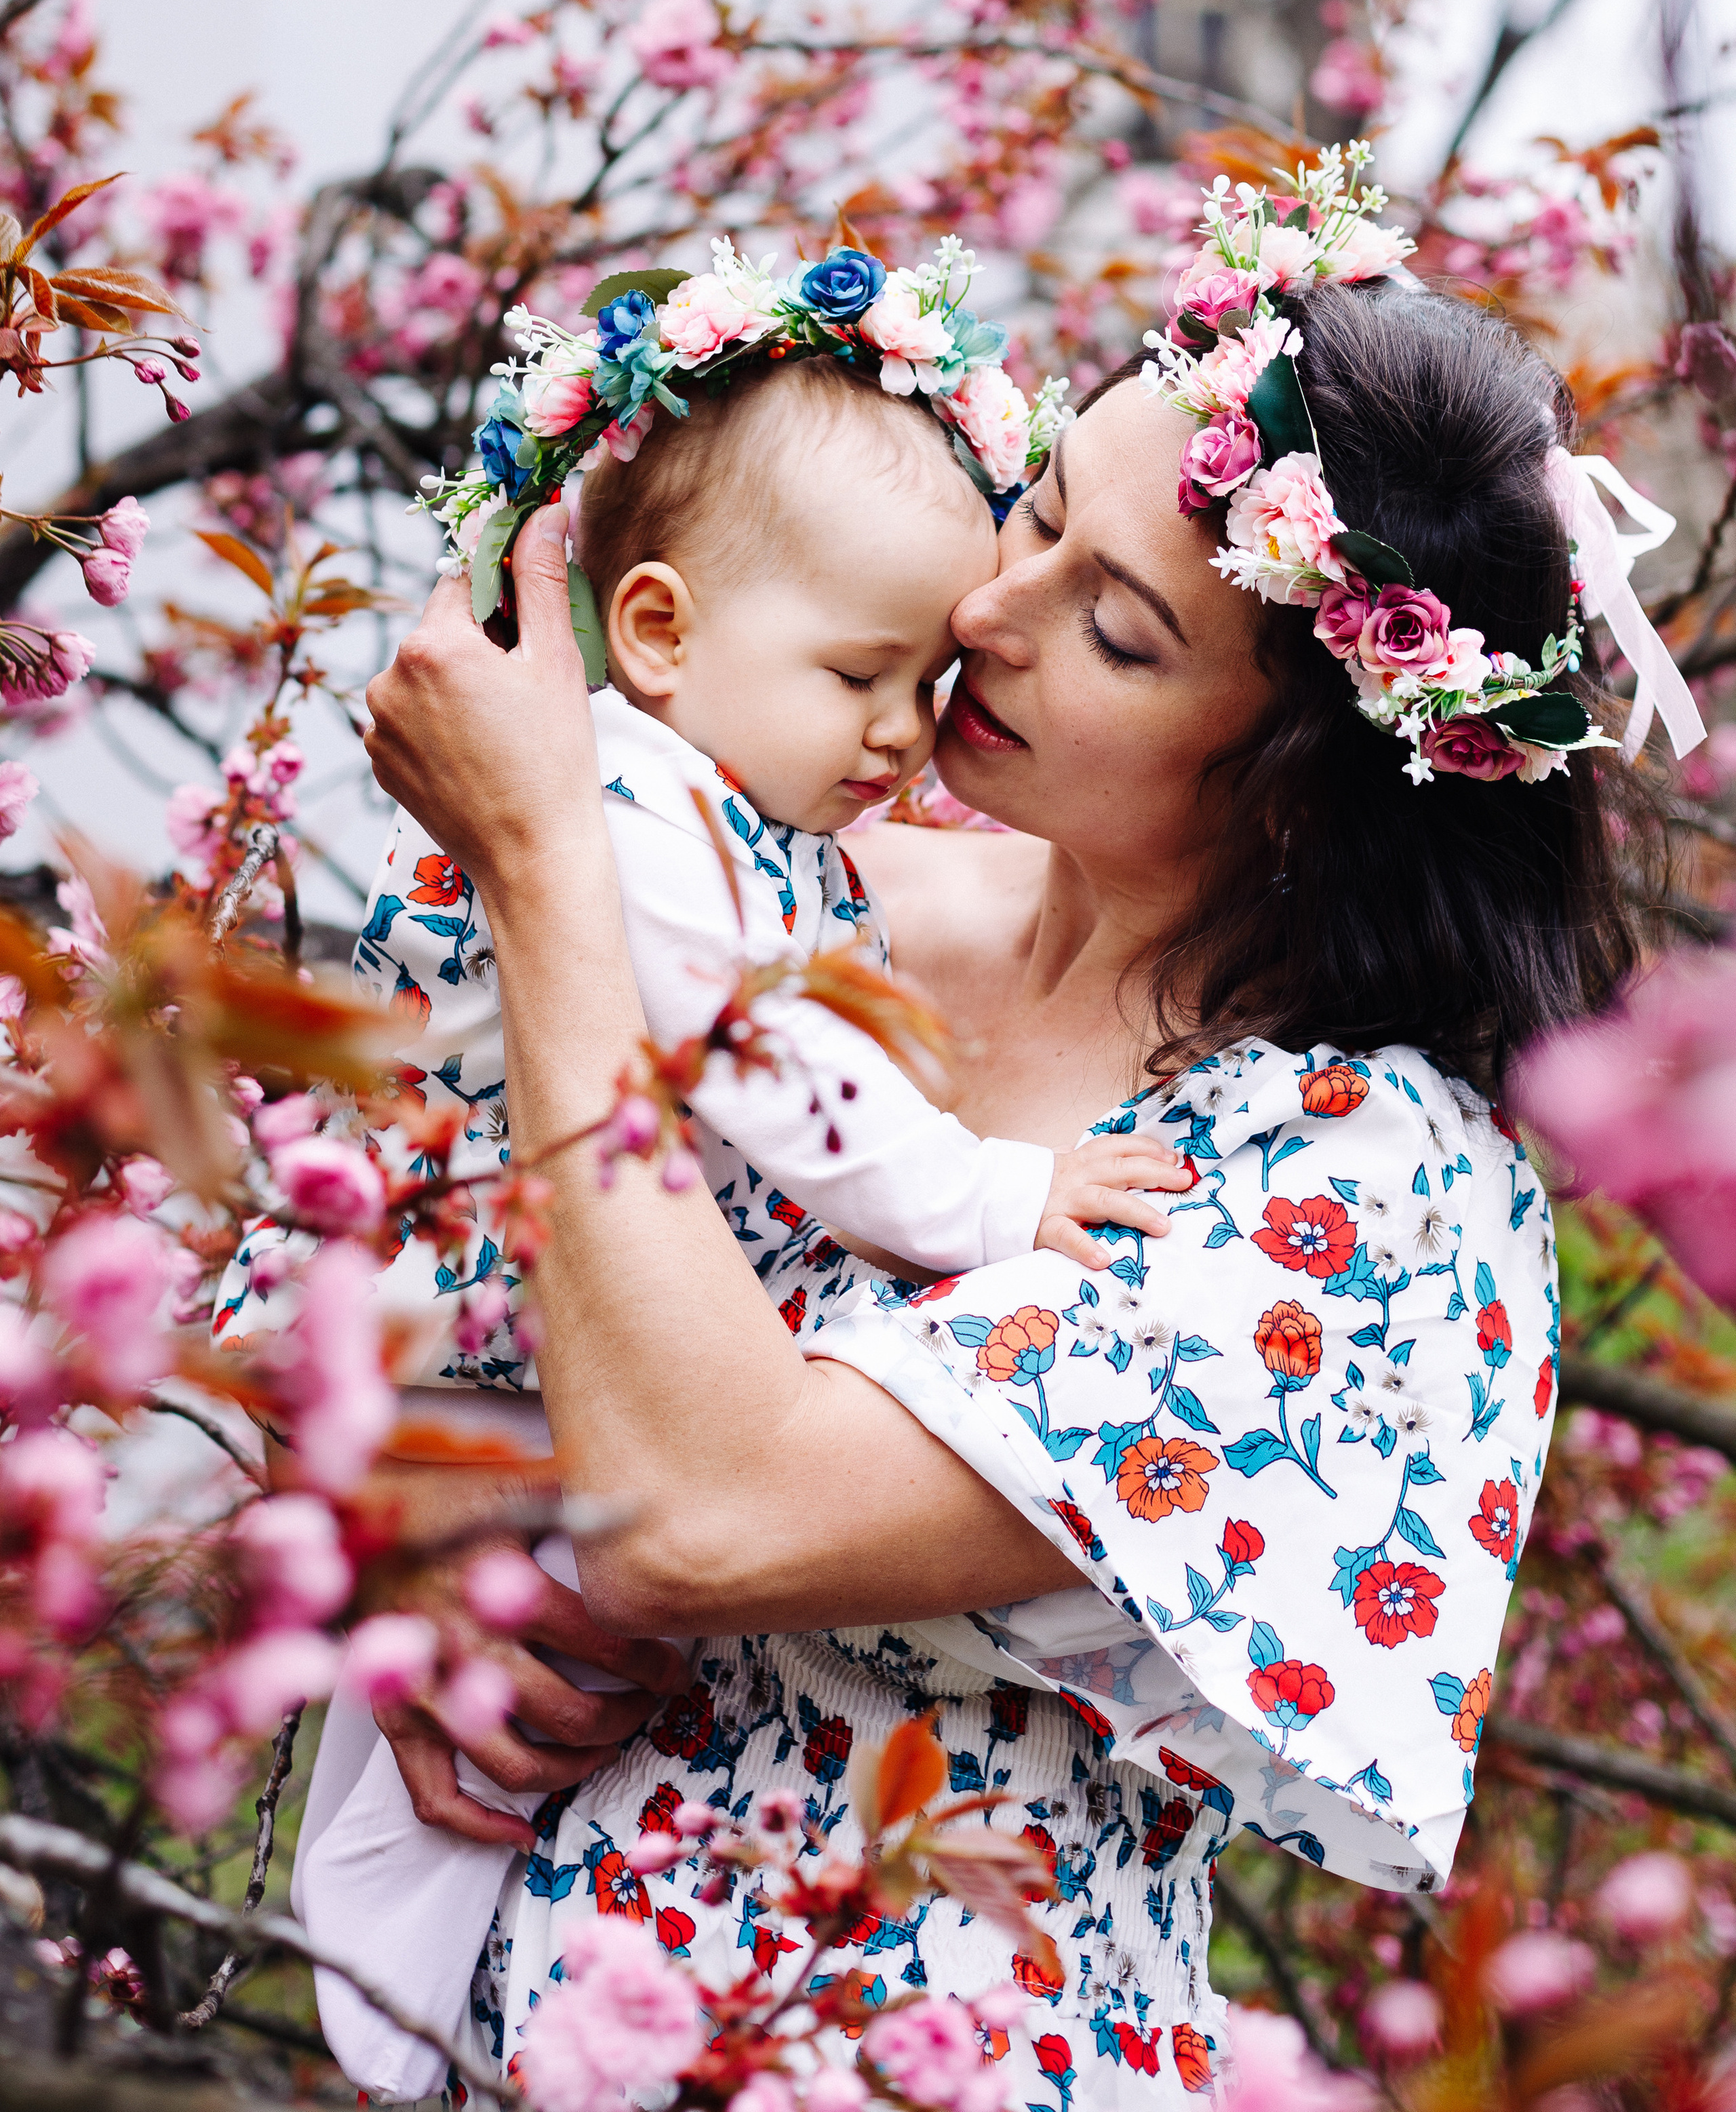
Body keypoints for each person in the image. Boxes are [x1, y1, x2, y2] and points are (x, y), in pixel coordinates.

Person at [338, 152, 1696, 2107]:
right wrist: (409, 1502)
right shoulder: (804, 872)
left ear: (1302, 790)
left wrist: (553, 866)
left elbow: (712, 1518)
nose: (988, 603)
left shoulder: (1359, 1196)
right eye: (1039, 507)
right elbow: (337, 1232)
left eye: (1118, 630)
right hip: (501, 2013)